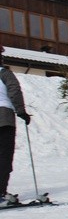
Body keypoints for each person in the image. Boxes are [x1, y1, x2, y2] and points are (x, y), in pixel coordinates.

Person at [0, 46, 31, 207]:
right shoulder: (4, 73)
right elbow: (14, 91)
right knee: (4, 156)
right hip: (3, 117)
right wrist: (21, 112)